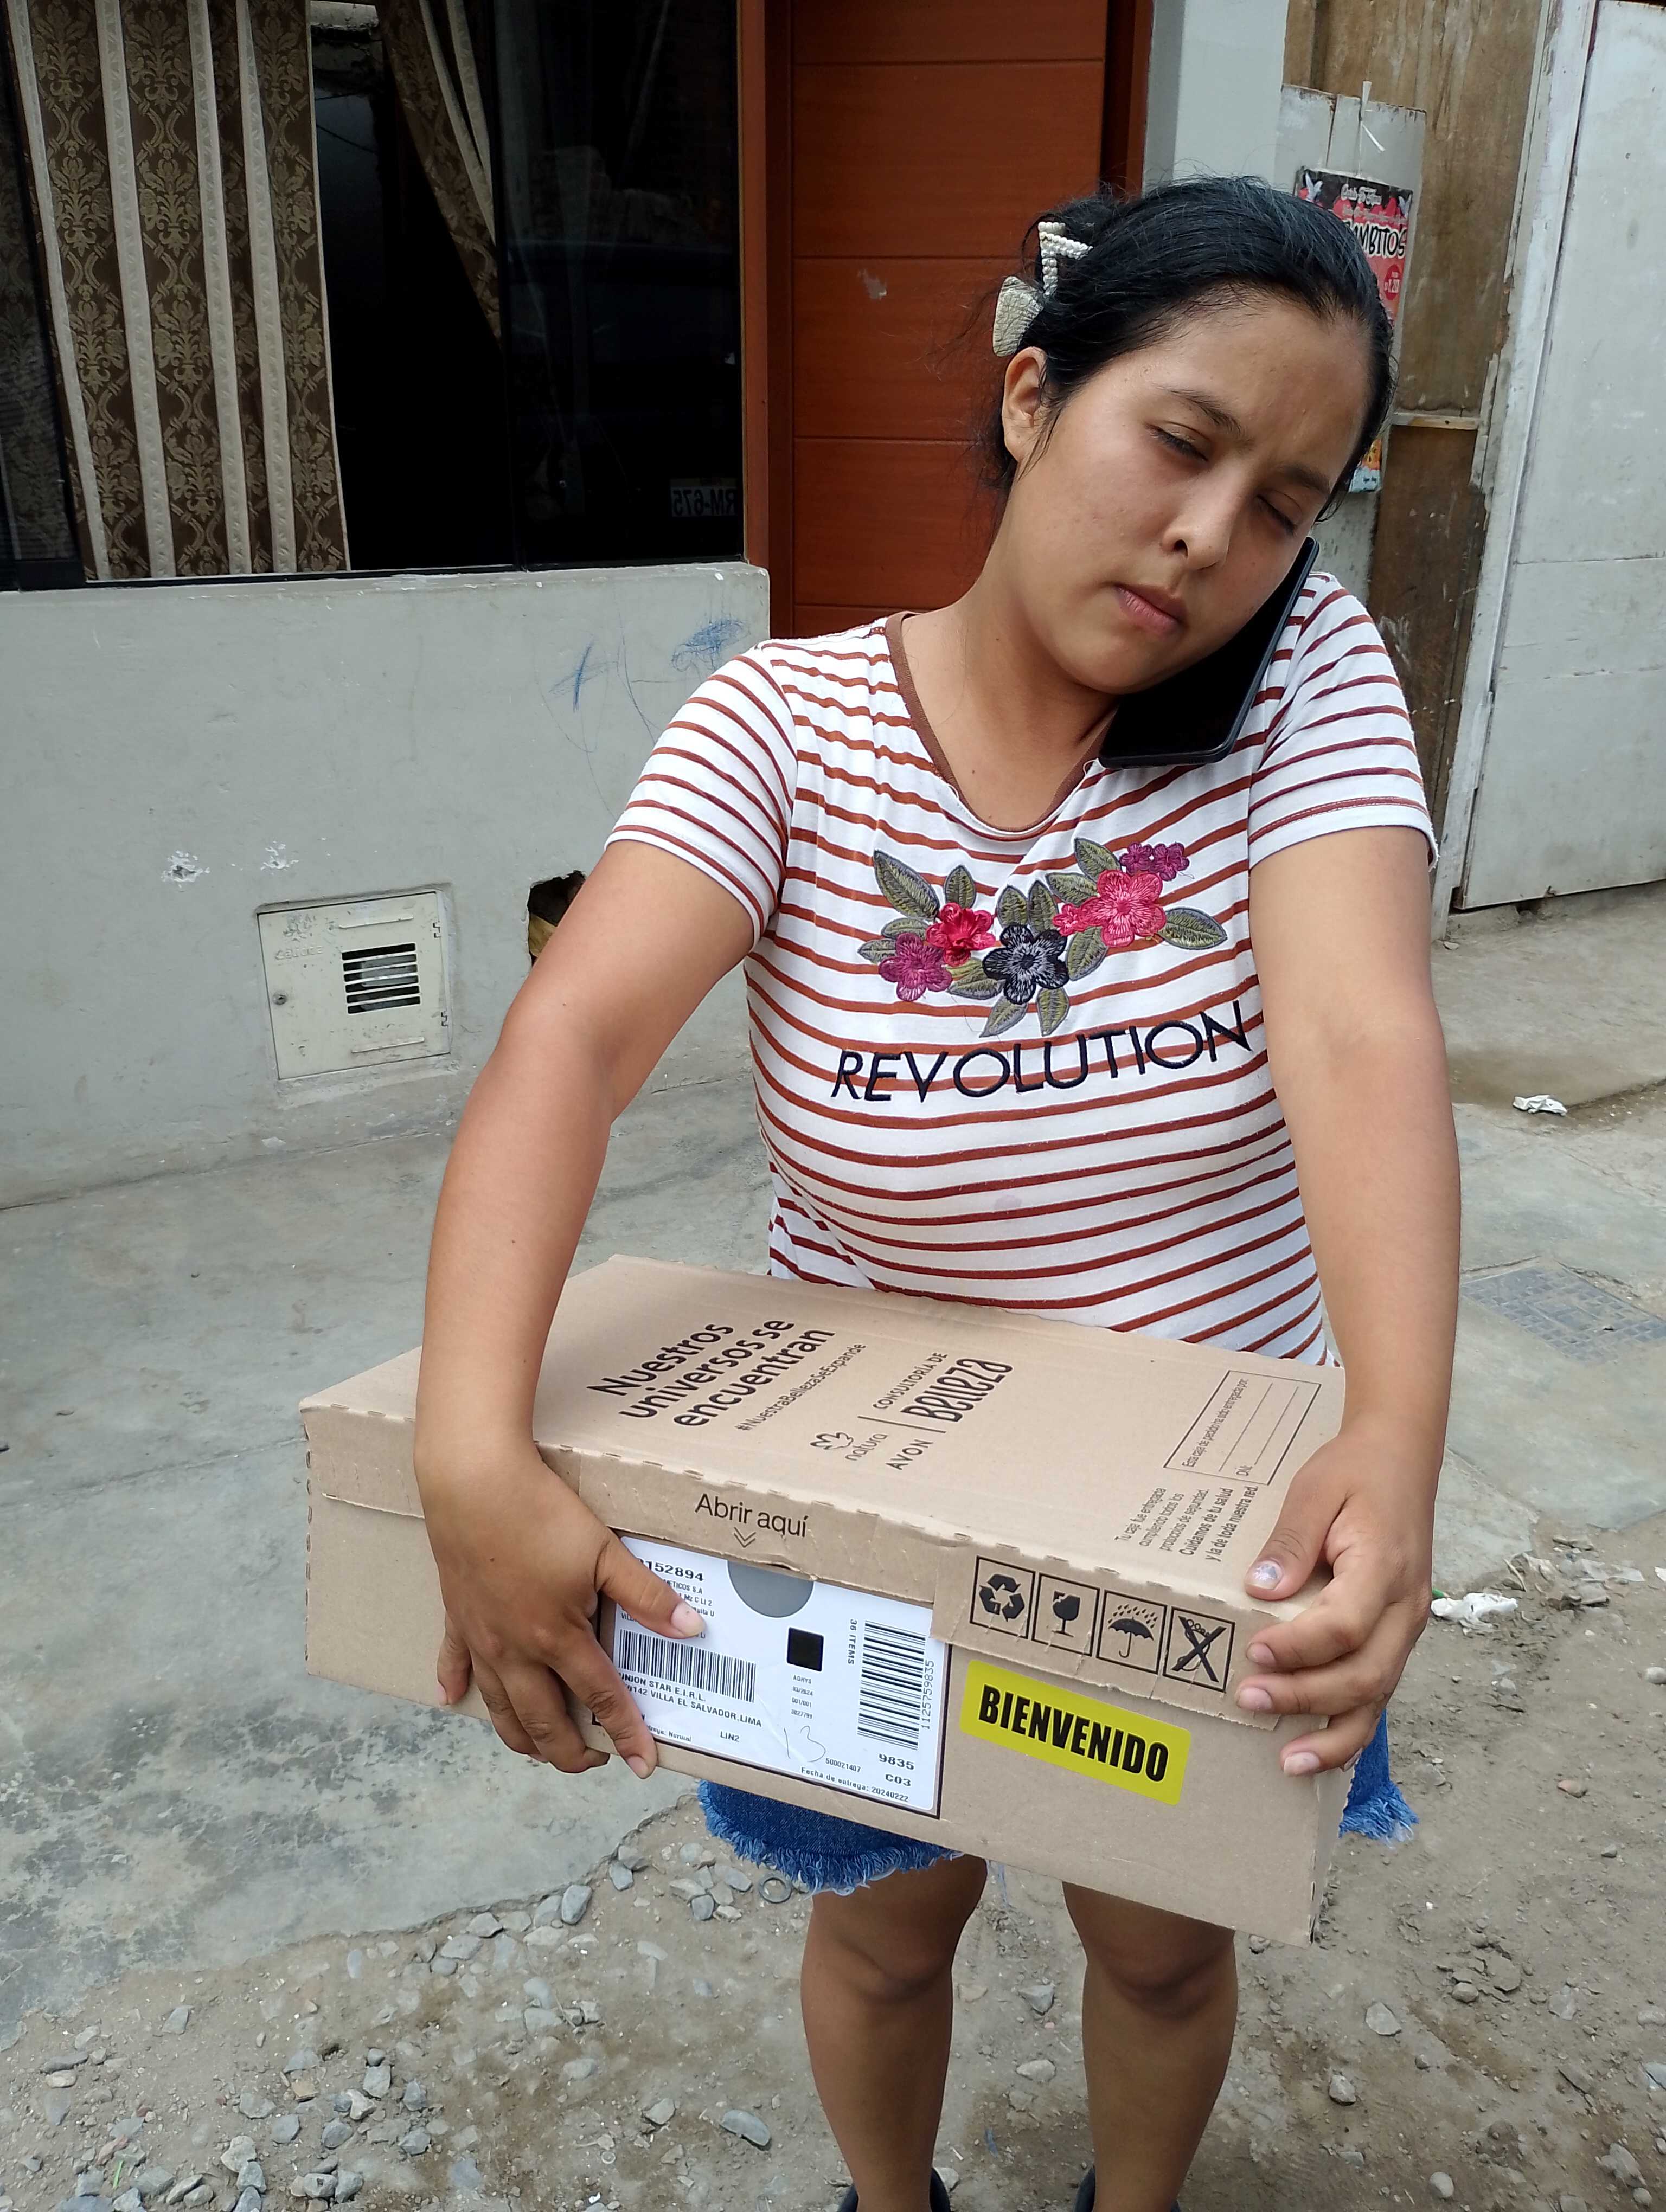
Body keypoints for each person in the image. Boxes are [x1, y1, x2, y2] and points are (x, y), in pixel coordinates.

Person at [413, 177, 1458, 2212]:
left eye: (1283, 503)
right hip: (867, 1501)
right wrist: (470, 1446)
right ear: (1031, 397)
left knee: (1162, 1948)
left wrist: (1396, 1428)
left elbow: (1360, 1038)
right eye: (1179, 440)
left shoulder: (1304, 681)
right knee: (888, 1932)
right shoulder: (783, 729)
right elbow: (573, 1043)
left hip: (1188, 1519)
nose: (1212, 537)